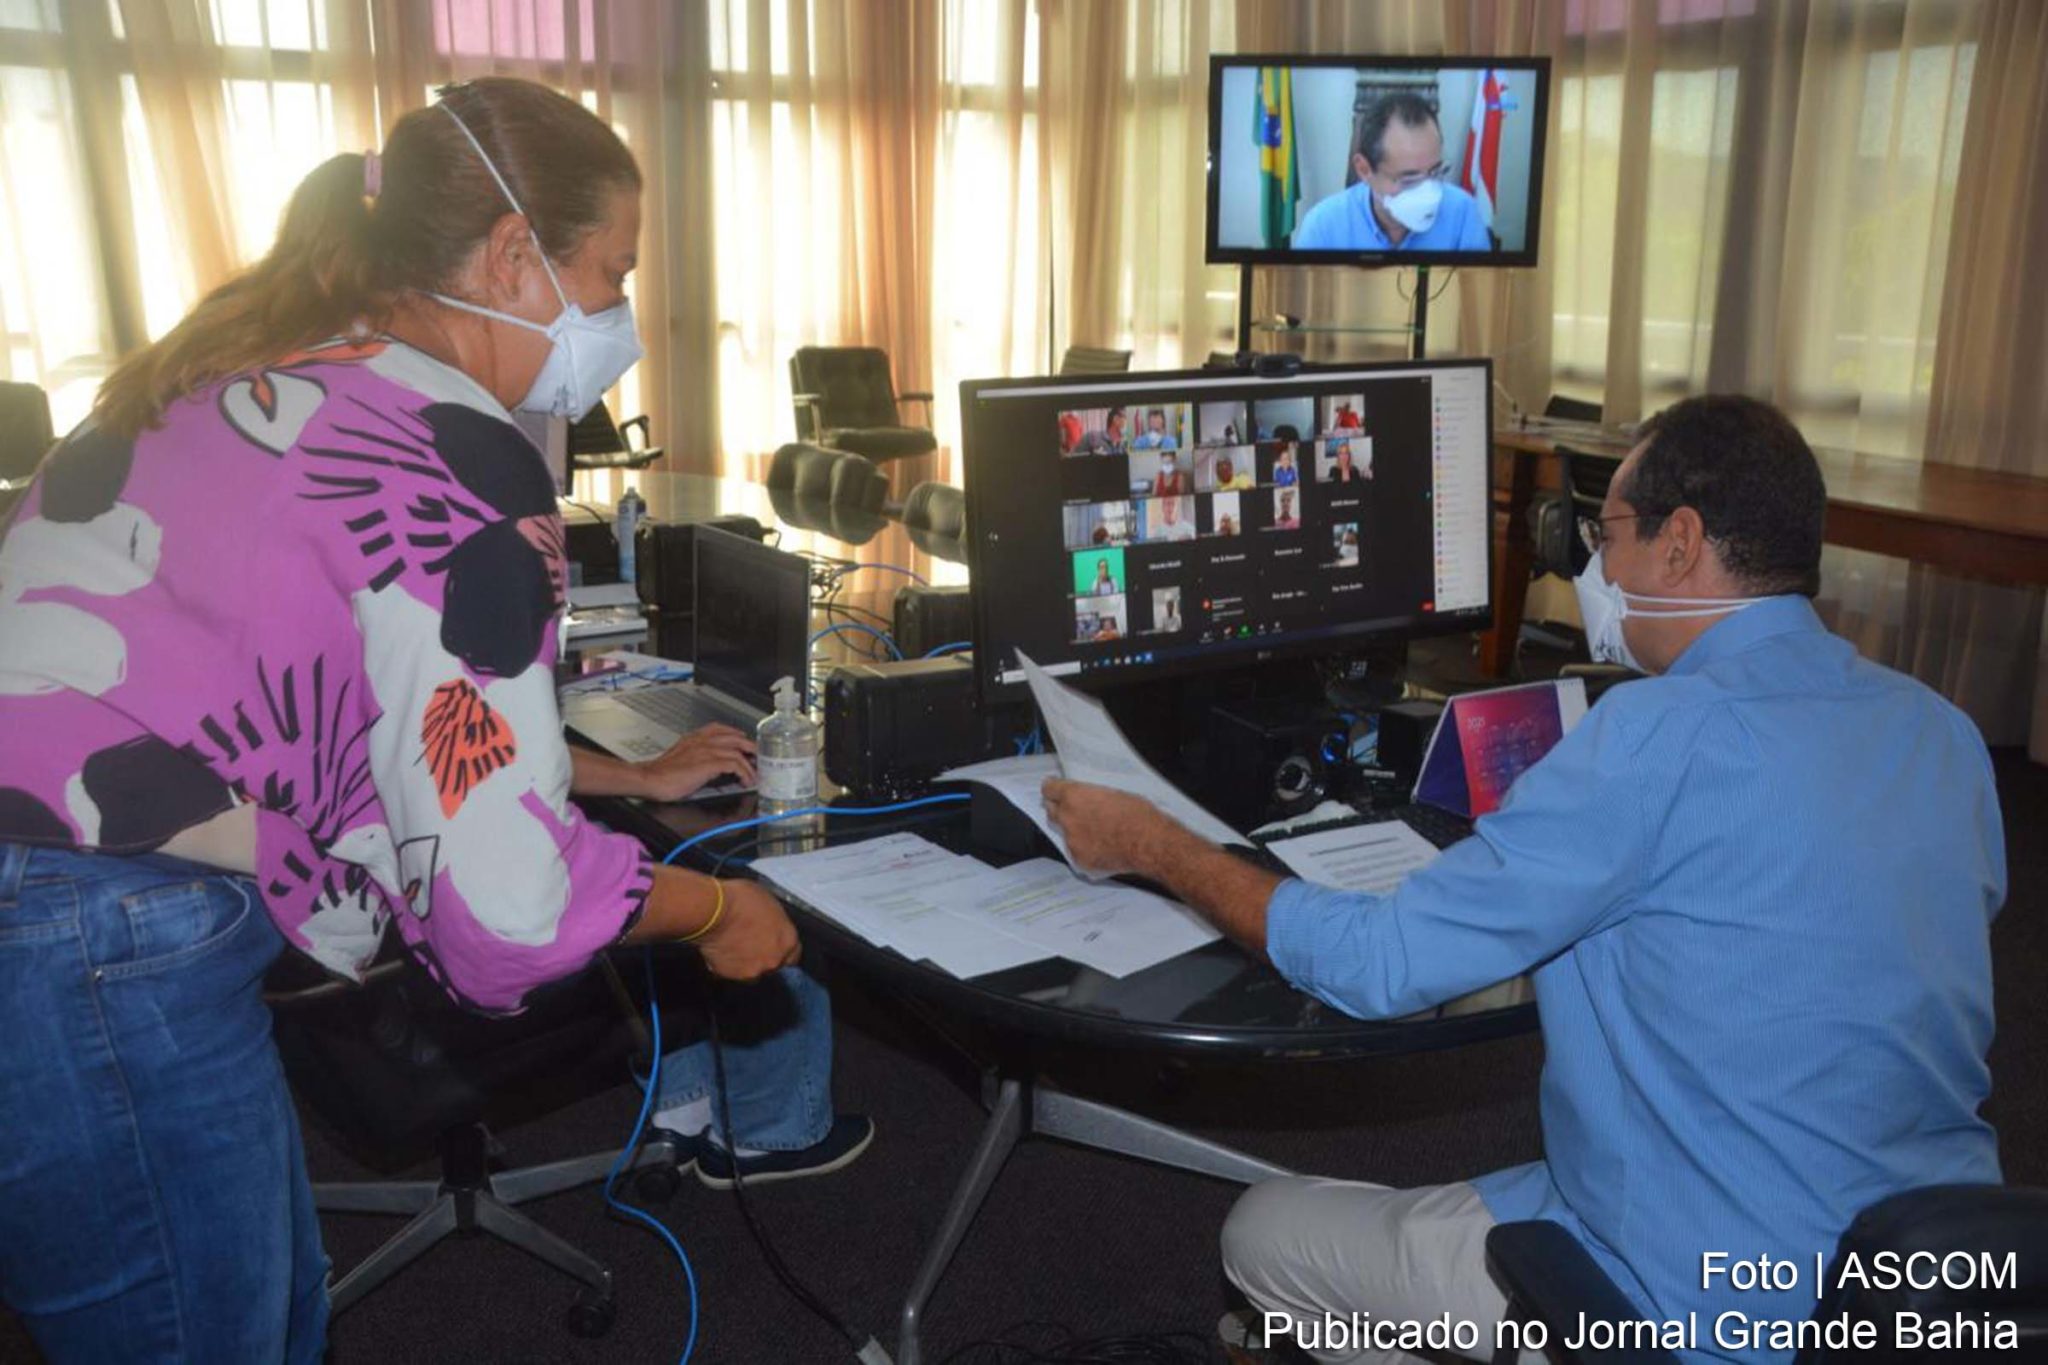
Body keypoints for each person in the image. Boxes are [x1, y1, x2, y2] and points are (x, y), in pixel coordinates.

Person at [0, 79, 866, 1365]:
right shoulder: (446, 446)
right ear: (518, 257)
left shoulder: (263, 362)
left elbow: (360, 701)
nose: (619, 316)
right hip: (102, 923)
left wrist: (605, 779)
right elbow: (504, 910)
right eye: (611, 272)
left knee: (242, 1311)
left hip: (64, 877)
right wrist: (718, 912)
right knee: (209, 1337)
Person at [1038, 395, 2004, 1365]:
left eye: (1606, 535)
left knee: (1260, 1236)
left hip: (1695, 1307)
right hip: (1924, 1283)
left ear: (1677, 545)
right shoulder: (1941, 734)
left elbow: (1378, 967)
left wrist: (1154, 843)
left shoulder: (1654, 737)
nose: (1594, 568)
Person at [1290, 92, 1492, 253]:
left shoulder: (1463, 214)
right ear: (1364, 169)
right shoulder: (1323, 228)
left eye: (1436, 171)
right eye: (1410, 178)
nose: (1429, 194)